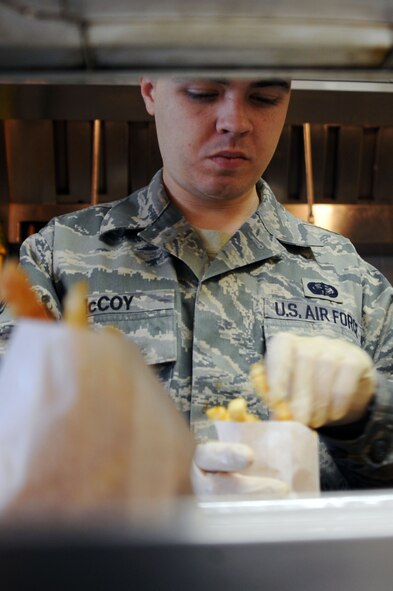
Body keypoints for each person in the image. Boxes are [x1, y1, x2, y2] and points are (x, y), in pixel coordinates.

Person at [0, 76, 393, 491]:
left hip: (303, 556)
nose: (234, 122)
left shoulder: (350, 277)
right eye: (203, 93)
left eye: (264, 98)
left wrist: (364, 411)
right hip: (120, 556)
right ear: (151, 90)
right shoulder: (58, 258)